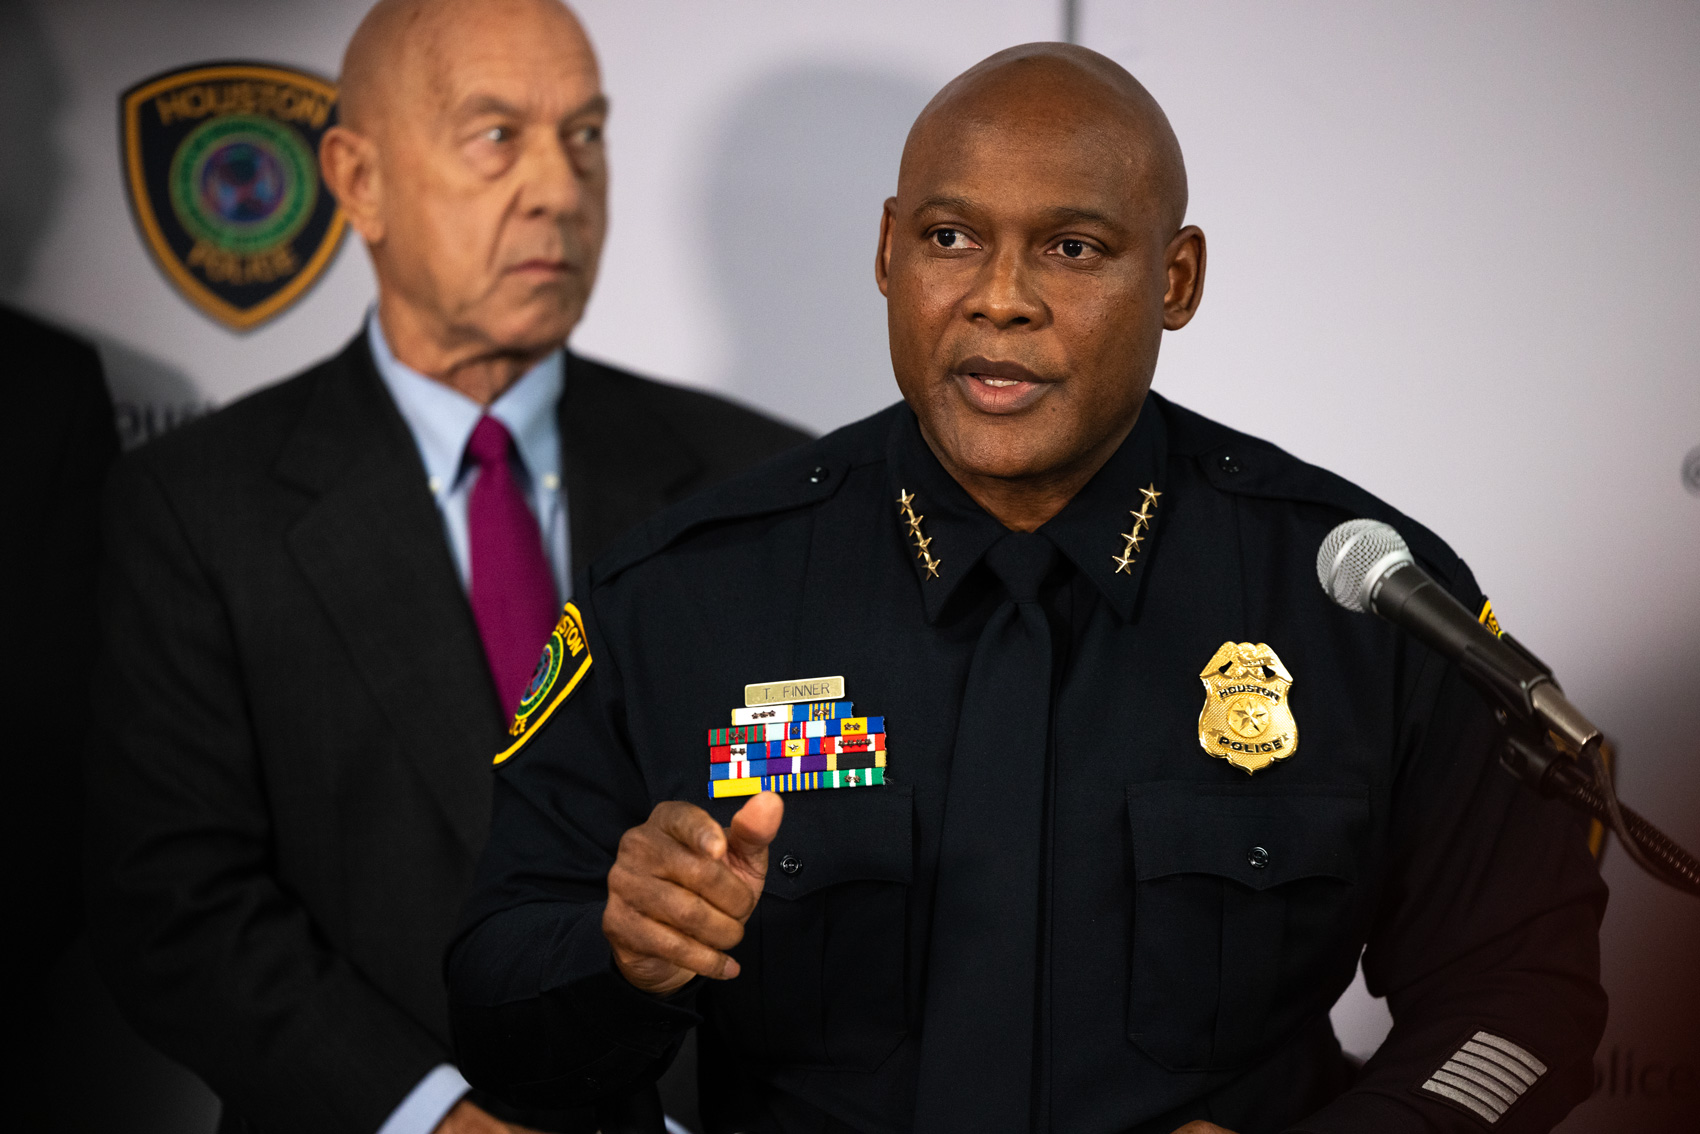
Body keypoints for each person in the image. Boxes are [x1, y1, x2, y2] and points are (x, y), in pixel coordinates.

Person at [444, 43, 1607, 1134]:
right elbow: (498, 1018)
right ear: (887, 251)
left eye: (1073, 248)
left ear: (1176, 279)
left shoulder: (1359, 599)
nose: (1000, 298)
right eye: (950, 238)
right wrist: (621, 955)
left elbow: (1520, 996)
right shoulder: (684, 597)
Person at [84, 2, 806, 1132]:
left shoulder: (756, 481)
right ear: (356, 179)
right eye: (495, 136)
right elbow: (176, 907)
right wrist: (437, 1120)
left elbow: (815, 818)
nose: (559, 192)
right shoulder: (193, 507)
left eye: (585, 136)